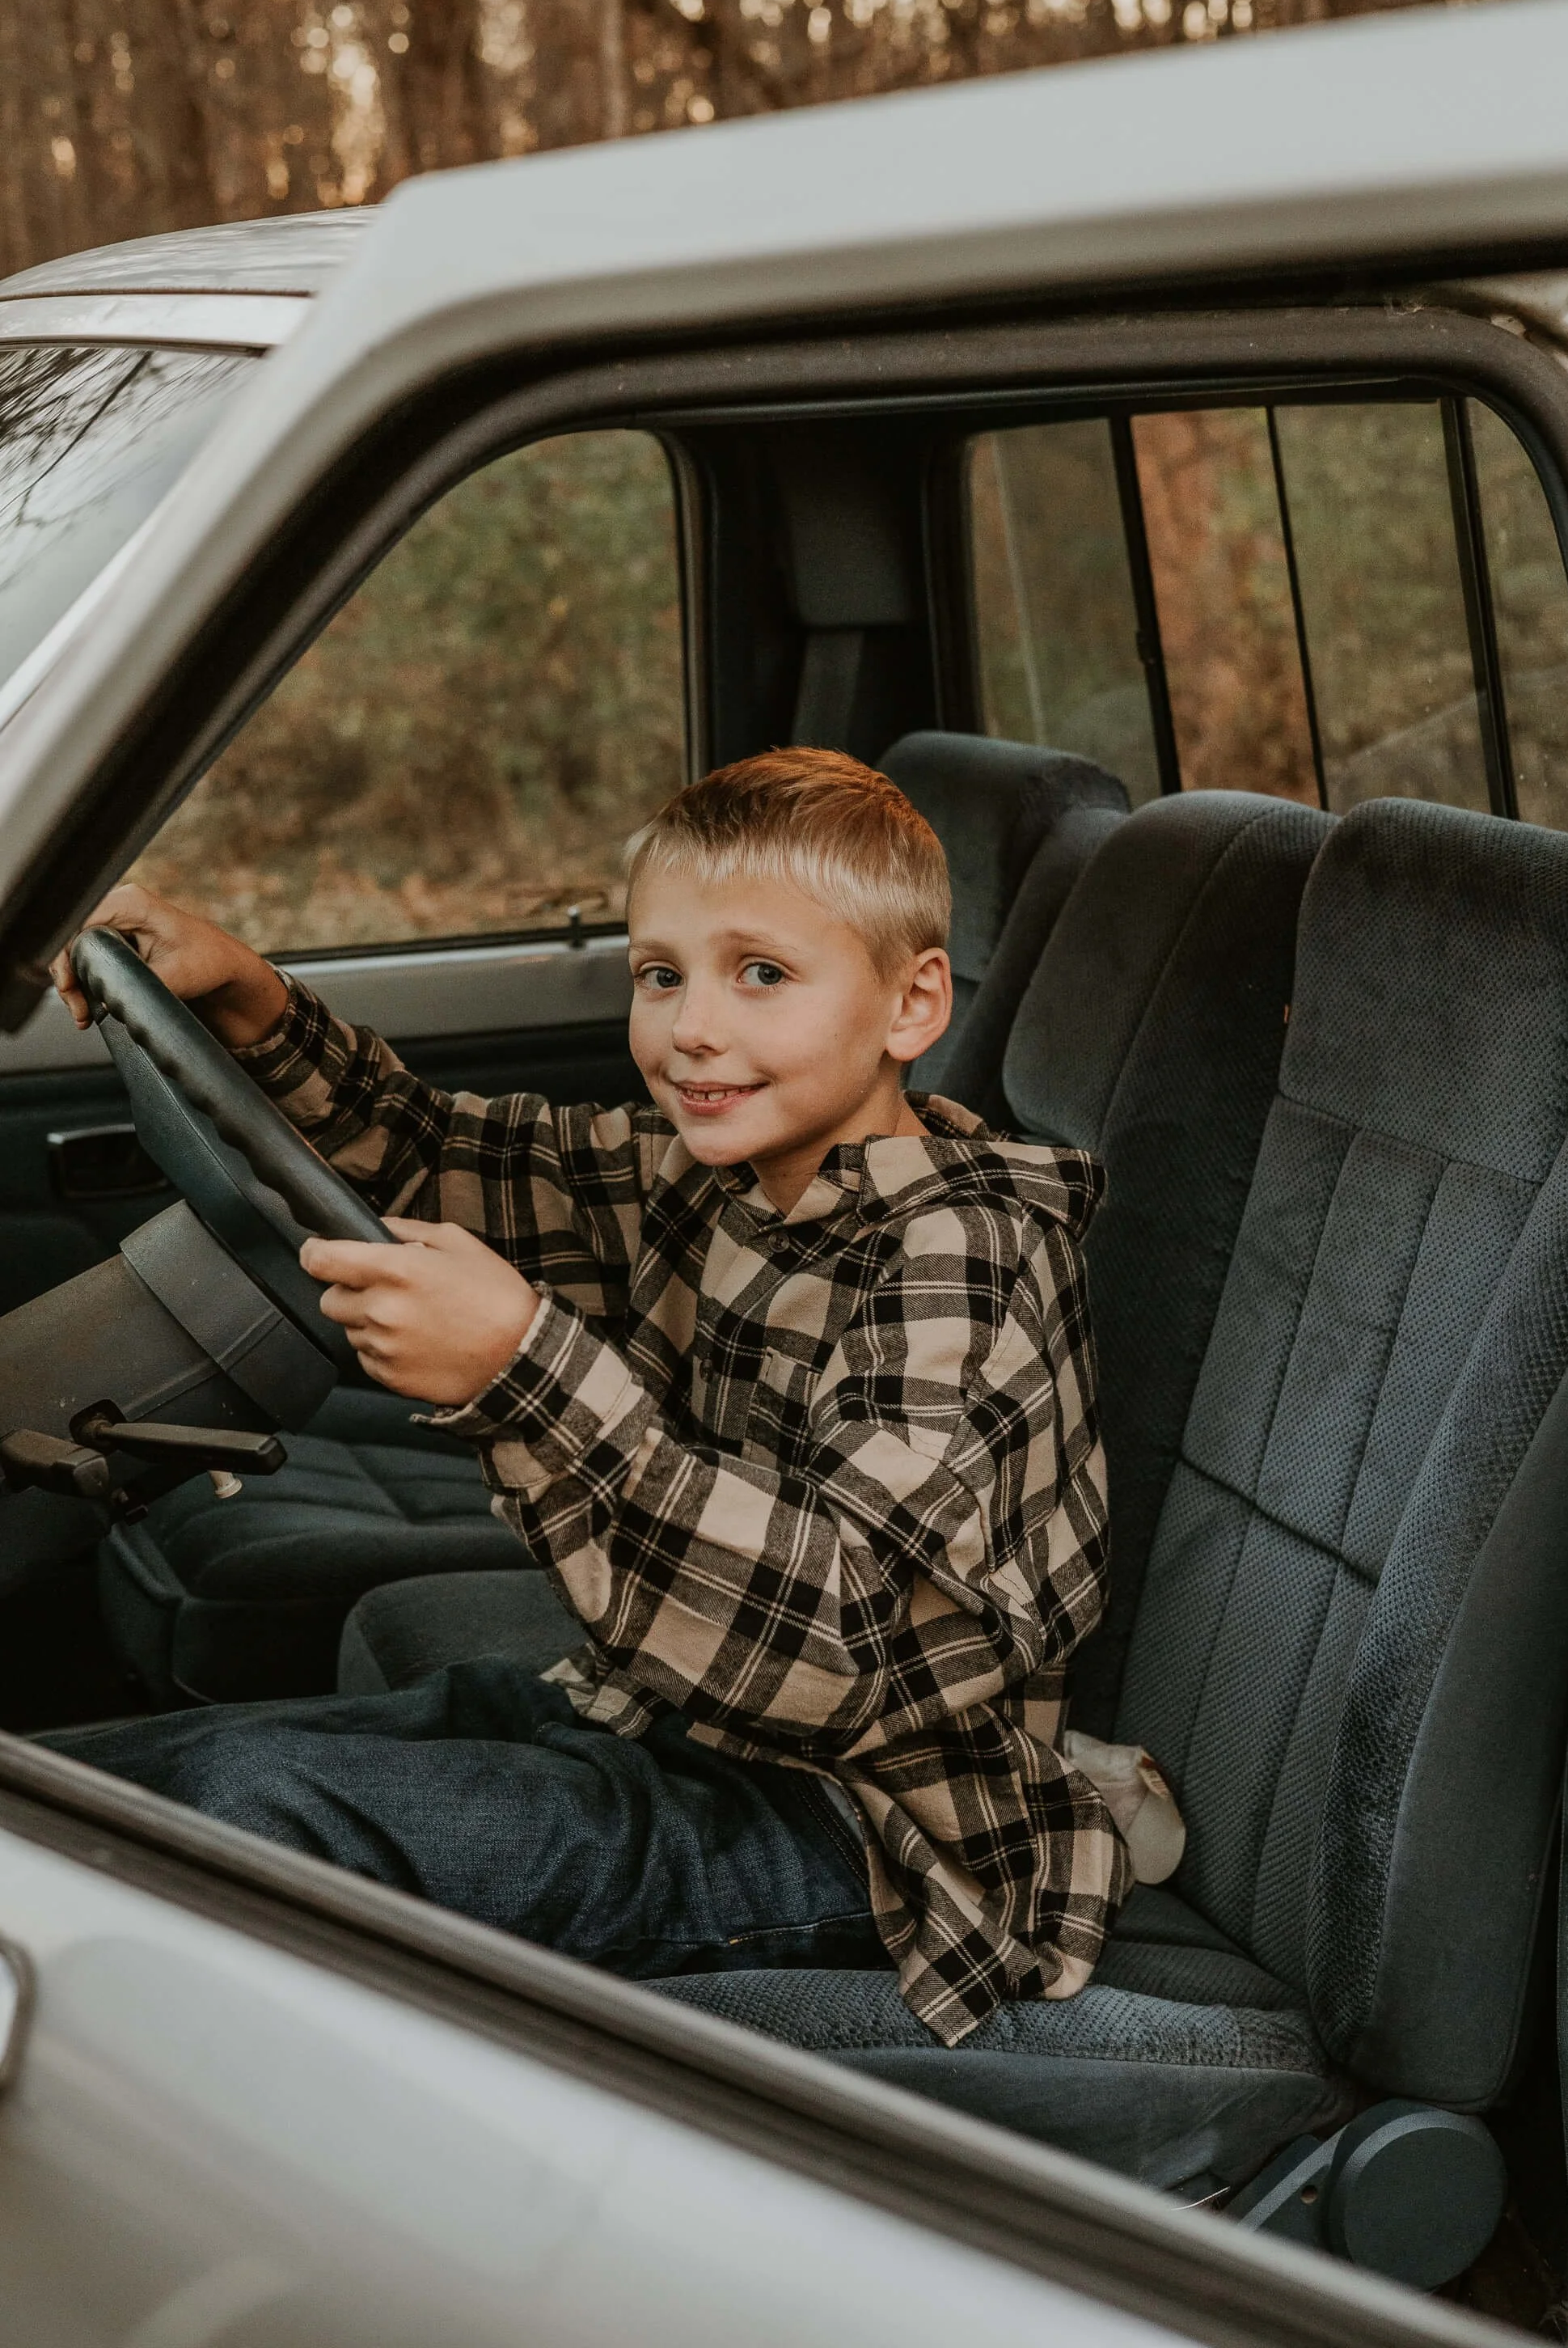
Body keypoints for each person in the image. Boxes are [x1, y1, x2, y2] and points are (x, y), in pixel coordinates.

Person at [48, 747, 1171, 2046]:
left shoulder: (962, 1264)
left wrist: (528, 1368)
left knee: (246, 1813)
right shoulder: (718, 1171)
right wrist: (249, 999)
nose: (693, 1026)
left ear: (912, 1007)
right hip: (661, 1714)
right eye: (660, 975)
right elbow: (439, 1156)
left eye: (761, 974)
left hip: (868, 1828)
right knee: (115, 1796)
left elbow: (843, 1647)